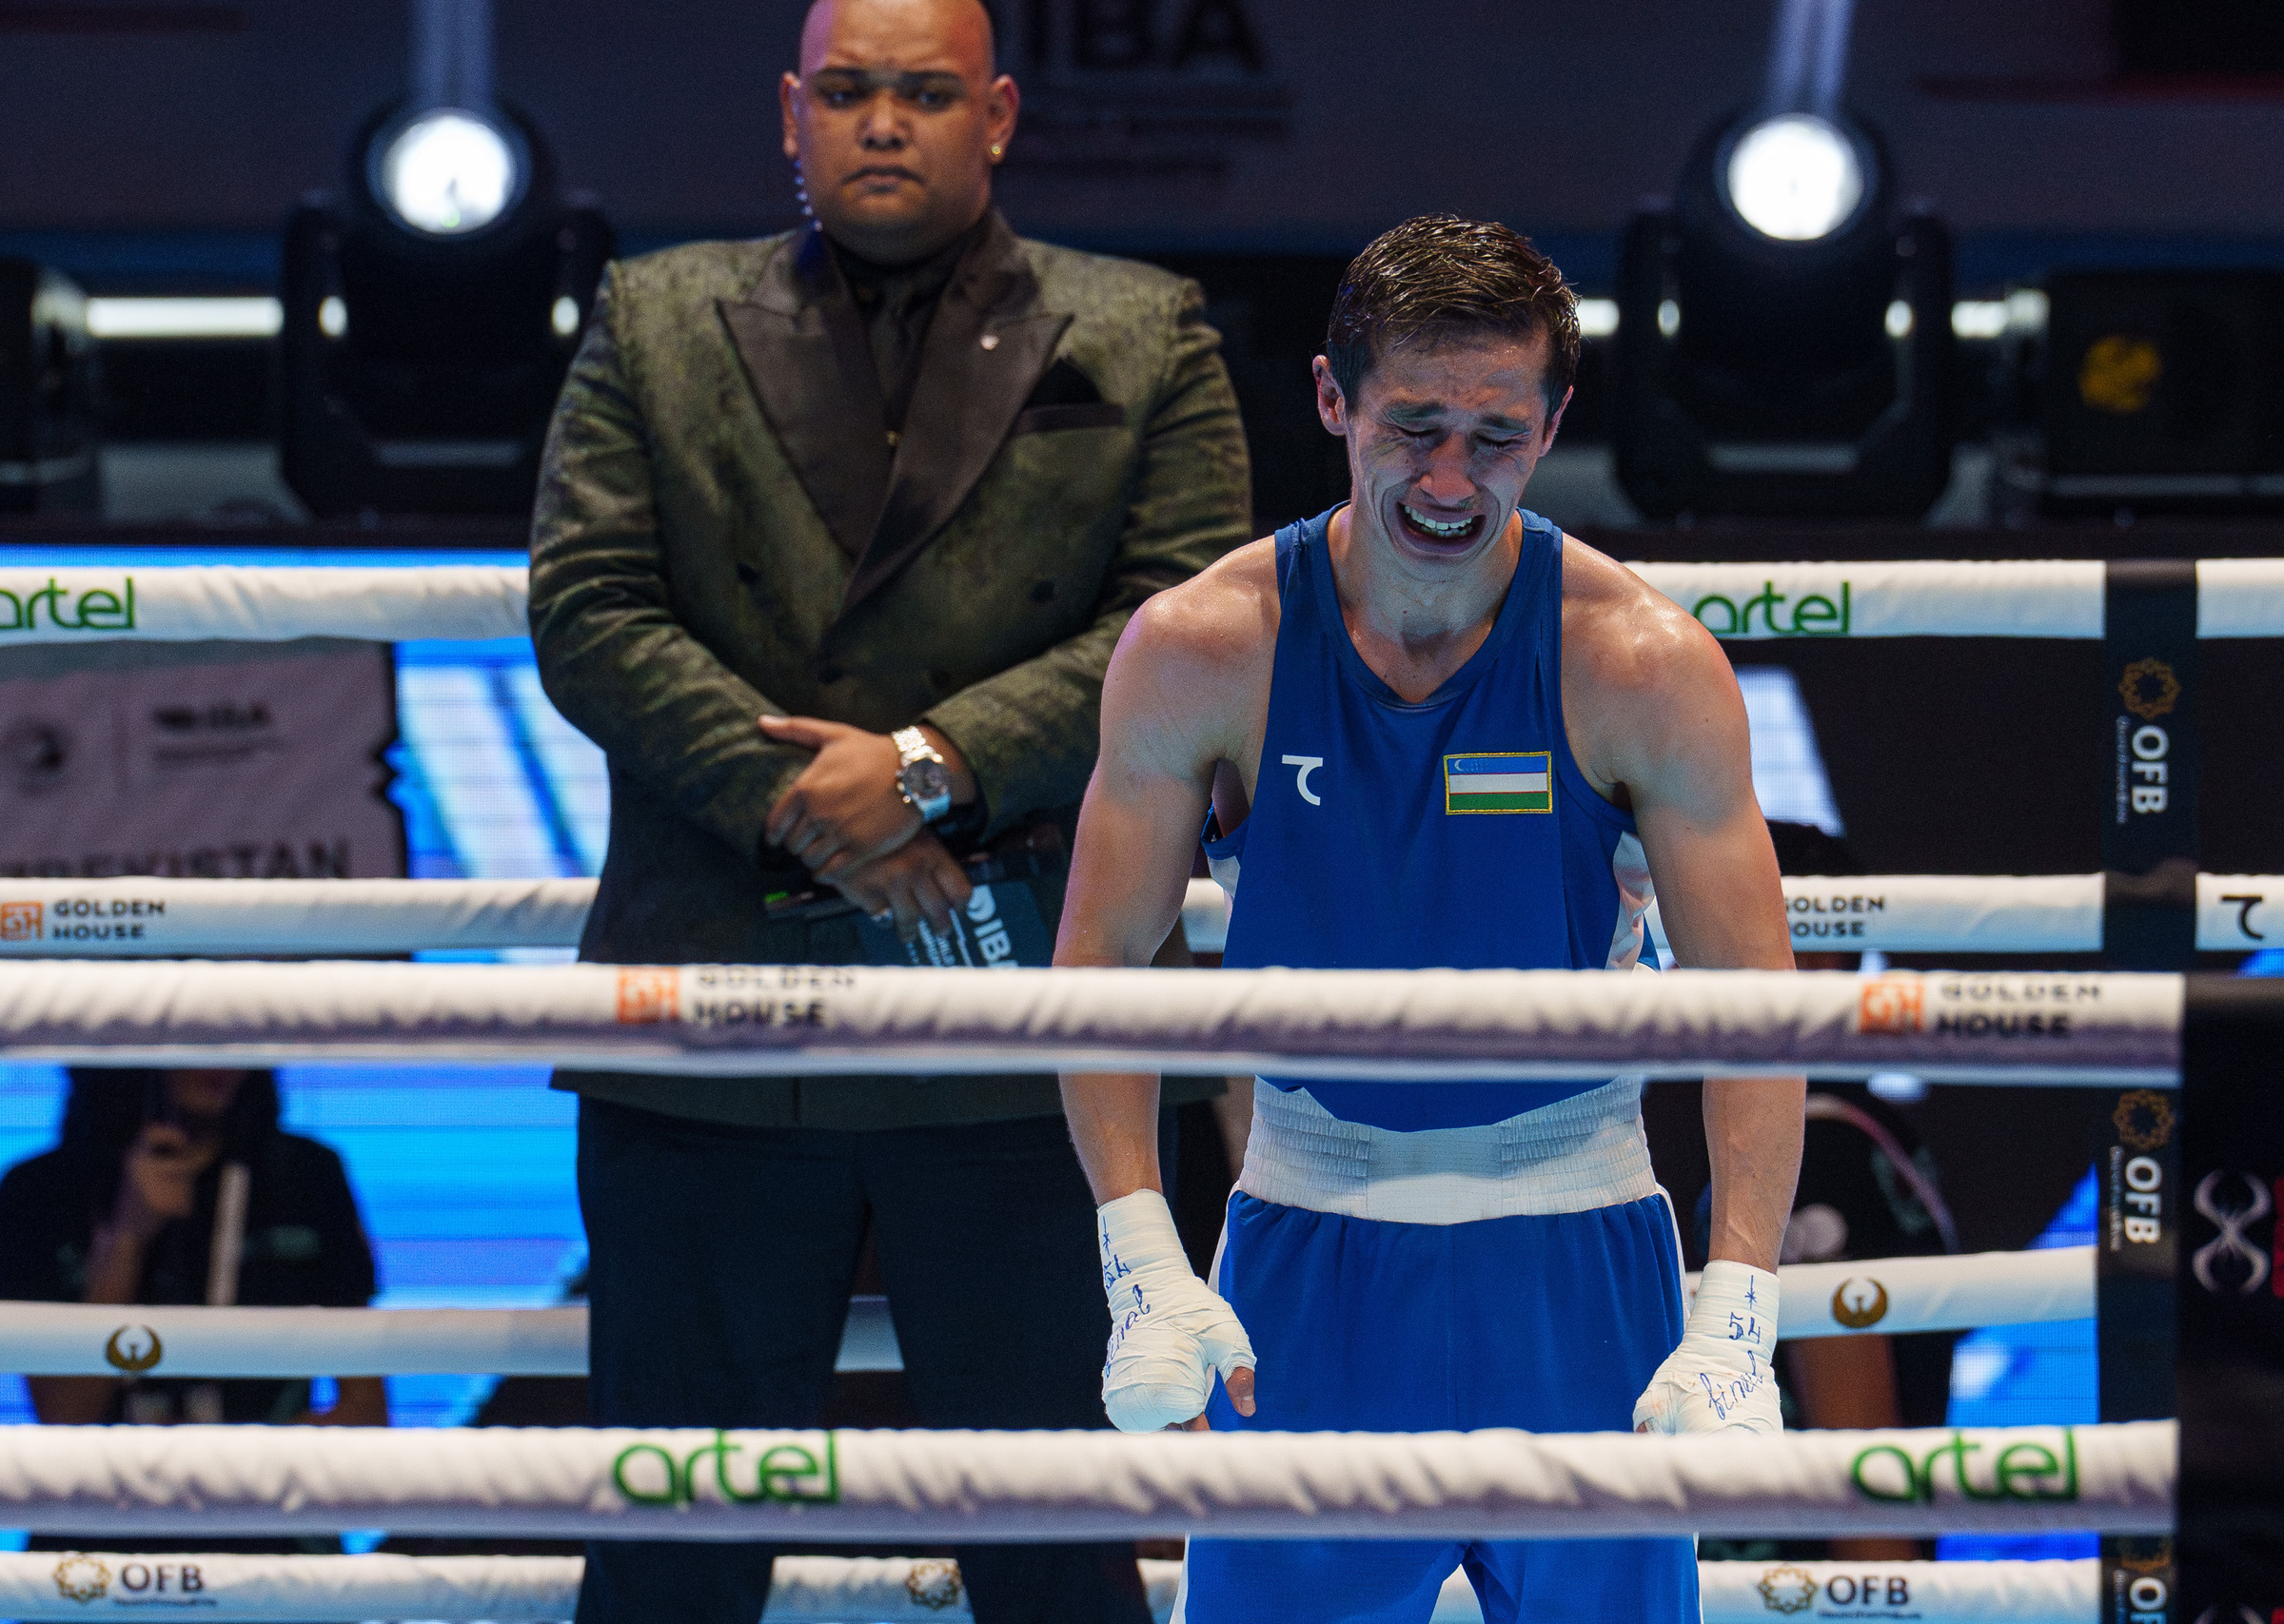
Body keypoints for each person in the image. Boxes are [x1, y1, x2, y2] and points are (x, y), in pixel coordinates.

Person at [524, 0, 1250, 1618]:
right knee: (668, 1543)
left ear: (995, 113)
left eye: (923, 93)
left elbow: (1187, 623)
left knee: (1057, 1544)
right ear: (791, 110)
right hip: (713, 1004)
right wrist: (811, 794)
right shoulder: (654, 311)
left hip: (1025, 1034)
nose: (882, 122)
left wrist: (925, 764)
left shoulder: (1141, 329)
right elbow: (585, 611)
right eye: (848, 90)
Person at [1053, 215, 1805, 1624]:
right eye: (1413, 426)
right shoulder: (1205, 647)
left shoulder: (1638, 660)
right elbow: (1098, 967)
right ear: (1334, 401)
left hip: (1579, 1261)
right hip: (1306, 1257)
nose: (1451, 477)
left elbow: (1755, 1001)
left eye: (1495, 432)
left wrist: (1739, 1307)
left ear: (1554, 422)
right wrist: (1143, 1260)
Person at [1691, 820, 1960, 1565]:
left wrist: (1881, 1595)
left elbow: (1856, 1442)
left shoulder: (1819, 1146)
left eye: (1717, 912)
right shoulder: (1869, 1127)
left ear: (1812, 950)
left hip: (1804, 1592)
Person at [0, 1069, 384, 1552]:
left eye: (229, 1033)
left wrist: (239, 1466)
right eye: (192, 1033)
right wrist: (127, 1238)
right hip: (98, 1541)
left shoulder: (307, 1175)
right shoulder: (39, 1190)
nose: (218, 1060)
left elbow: (366, 1412)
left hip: (269, 1541)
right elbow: (65, 1415)